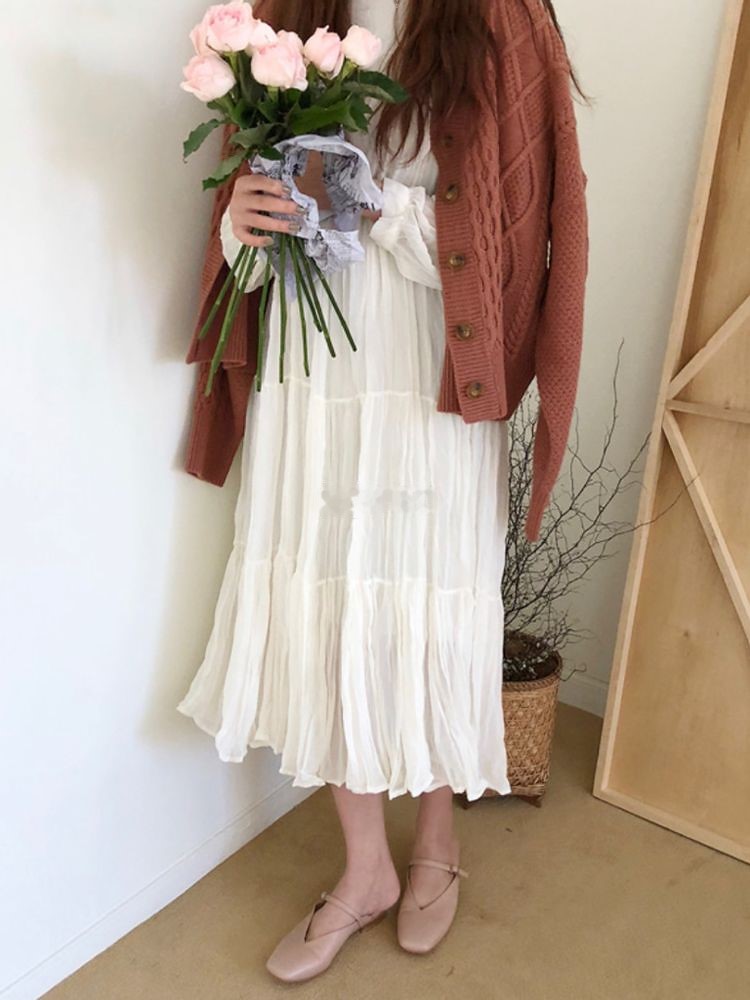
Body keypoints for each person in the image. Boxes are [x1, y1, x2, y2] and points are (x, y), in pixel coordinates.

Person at [177, 0, 589, 984]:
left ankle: (436, 838)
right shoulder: (288, 12)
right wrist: (243, 219)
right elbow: (248, 201)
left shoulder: (502, 20)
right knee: (325, 604)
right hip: (313, 376)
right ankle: (364, 869)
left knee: (426, 601)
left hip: (431, 371)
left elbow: (511, 245)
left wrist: (374, 206)